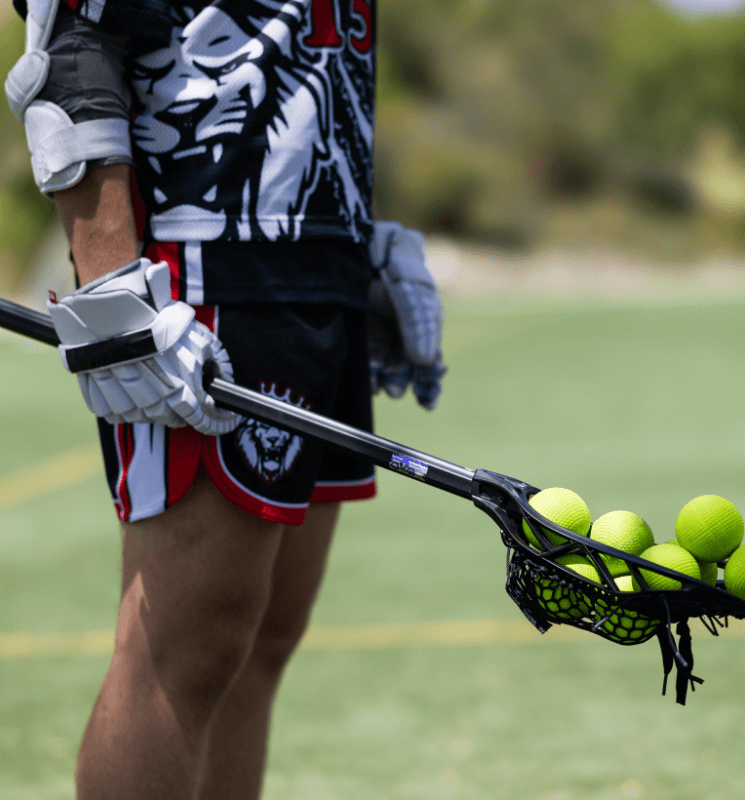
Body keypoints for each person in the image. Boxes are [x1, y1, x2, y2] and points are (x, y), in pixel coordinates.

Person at [5, 1, 446, 798]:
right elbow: (70, 37)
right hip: (206, 260)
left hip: (315, 255)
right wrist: (110, 280)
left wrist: (358, 233)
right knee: (185, 651)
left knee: (260, 641)